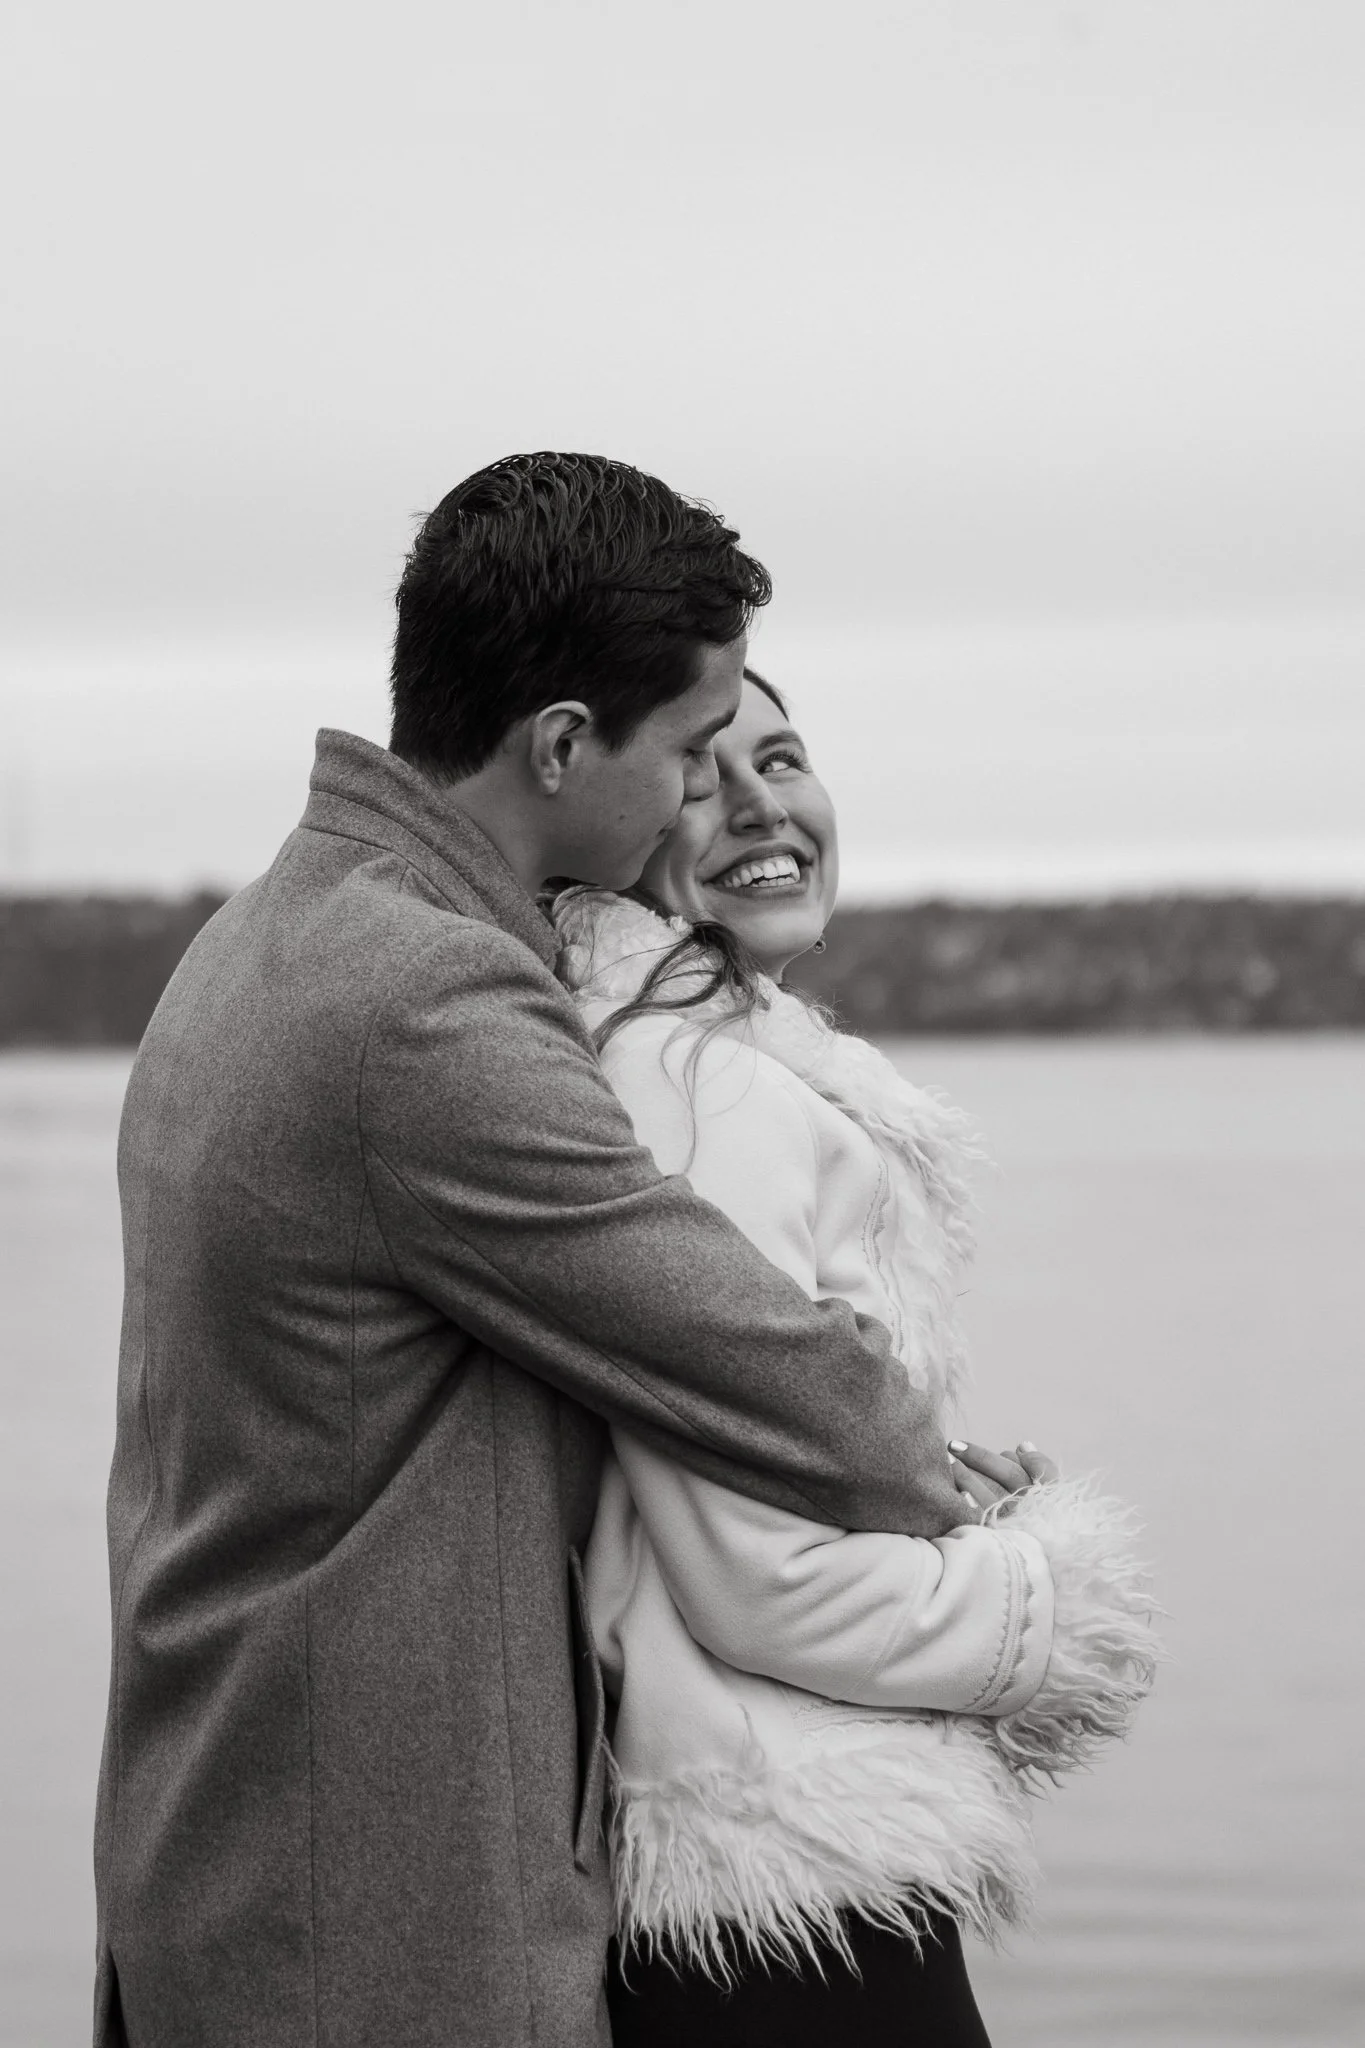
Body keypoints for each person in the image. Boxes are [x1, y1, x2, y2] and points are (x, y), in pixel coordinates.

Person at [92, 458, 969, 2048]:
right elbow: (757, 1365)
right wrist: (1011, 1544)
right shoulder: (422, 1003)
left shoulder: (264, 933)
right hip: (364, 1918)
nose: (710, 790)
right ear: (563, 743)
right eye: (695, 750)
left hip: (228, 1850)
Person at [554, 669, 1159, 2047]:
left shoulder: (712, 1068)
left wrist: (931, 1489)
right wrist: (1038, 1603)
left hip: (764, 1865)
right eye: (706, 774)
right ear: (626, 815)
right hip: (787, 1893)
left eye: (786, 758)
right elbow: (764, 1581)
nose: (766, 806)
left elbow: (753, 1471)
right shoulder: (704, 1091)